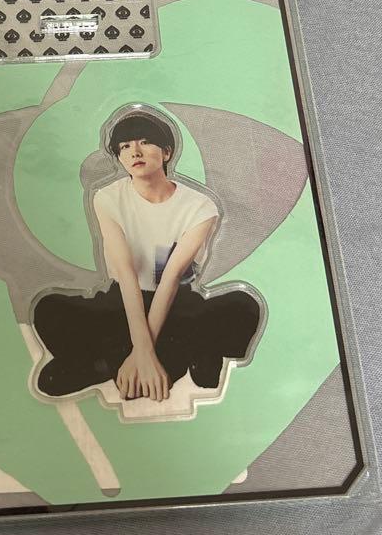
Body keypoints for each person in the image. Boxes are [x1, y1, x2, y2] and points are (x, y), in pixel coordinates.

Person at [32, 109, 261, 402]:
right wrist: (142, 353)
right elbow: (126, 275)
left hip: (176, 302)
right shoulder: (108, 198)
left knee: (243, 305)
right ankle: (133, 364)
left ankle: (106, 365)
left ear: (167, 152)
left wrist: (142, 353)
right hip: (124, 299)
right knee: (49, 308)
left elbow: (171, 277)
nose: (135, 152)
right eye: (125, 146)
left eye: (144, 142)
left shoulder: (199, 206)